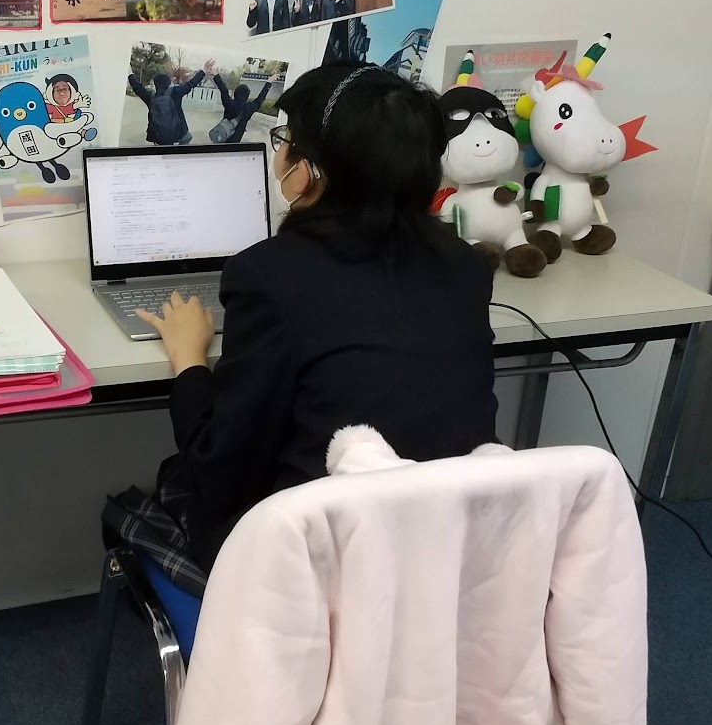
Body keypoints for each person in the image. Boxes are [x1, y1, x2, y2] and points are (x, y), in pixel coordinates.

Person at [106, 63, 498, 578]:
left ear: (310, 170)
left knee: (168, 481)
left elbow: (221, 468)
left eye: (284, 140)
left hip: (311, 571)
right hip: (447, 556)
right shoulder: (466, 265)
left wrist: (189, 362)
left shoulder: (268, 275)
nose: (279, 156)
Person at [128, 60, 213, 146]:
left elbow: (137, 87)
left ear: (156, 84)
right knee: (188, 137)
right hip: (178, 133)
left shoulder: (150, 97)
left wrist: (130, 74)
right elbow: (191, 83)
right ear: (168, 83)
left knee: (160, 143)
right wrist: (203, 70)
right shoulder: (175, 92)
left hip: (158, 136)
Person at [210, 72, 284, 144]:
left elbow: (223, 90)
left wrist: (216, 75)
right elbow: (260, 98)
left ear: (235, 93)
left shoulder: (229, 103)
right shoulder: (249, 108)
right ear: (247, 96)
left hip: (222, 138)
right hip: (234, 144)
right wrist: (269, 82)